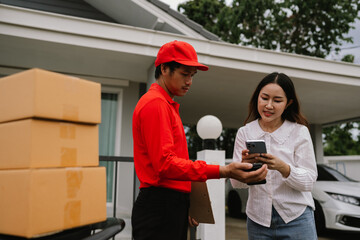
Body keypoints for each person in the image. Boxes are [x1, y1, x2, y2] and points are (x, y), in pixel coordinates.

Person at [131, 40, 268, 240]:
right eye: (184, 74)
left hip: (168, 205)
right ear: (164, 69)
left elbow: (175, 164)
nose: (189, 81)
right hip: (160, 206)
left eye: (192, 76)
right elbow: (165, 164)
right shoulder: (156, 104)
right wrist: (224, 170)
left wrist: (189, 201)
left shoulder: (165, 104)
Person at [231, 72, 318, 240]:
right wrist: (243, 168)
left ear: (288, 103)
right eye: (264, 98)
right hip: (258, 220)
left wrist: (283, 168)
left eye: (277, 101)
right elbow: (236, 183)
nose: (269, 105)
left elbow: (309, 181)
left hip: (297, 218)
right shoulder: (245, 132)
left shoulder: (299, 132)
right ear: (257, 98)